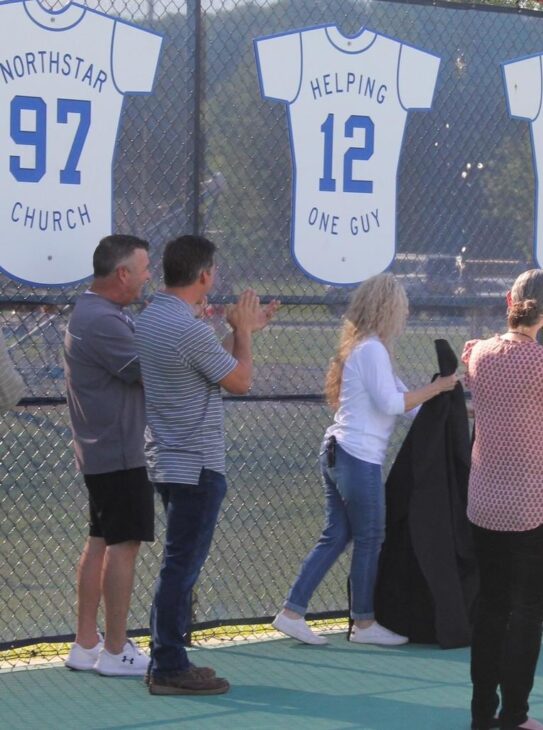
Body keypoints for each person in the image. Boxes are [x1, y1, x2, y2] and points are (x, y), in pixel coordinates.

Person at [272, 272, 458, 647]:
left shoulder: (373, 350)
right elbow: (393, 403)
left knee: (338, 535)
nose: (404, 316)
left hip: (344, 454)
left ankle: (291, 613)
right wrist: (437, 387)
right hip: (355, 457)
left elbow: (407, 406)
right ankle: (364, 622)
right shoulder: (370, 349)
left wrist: (454, 410)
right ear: (387, 308)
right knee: (371, 536)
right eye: (401, 308)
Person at [135, 235, 279, 695]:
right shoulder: (188, 327)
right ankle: (169, 666)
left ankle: (168, 659)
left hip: (169, 460)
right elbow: (240, 380)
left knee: (177, 565)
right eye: (213, 271)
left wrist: (242, 332)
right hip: (196, 464)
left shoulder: (155, 317)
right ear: (204, 275)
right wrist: (240, 334)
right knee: (182, 567)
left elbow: (201, 360)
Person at [463, 269, 543, 730]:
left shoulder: (479, 355)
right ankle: (516, 717)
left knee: (491, 608)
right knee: (527, 614)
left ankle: (482, 715)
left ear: (509, 301)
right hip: (537, 504)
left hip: (486, 502)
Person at [63, 234, 153, 676]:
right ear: (122, 274)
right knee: (124, 544)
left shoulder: (98, 312)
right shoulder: (102, 318)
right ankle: (116, 651)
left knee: (101, 540)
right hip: (118, 453)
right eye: (143, 268)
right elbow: (148, 370)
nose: (148, 276)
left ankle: (86, 644)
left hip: (105, 451)